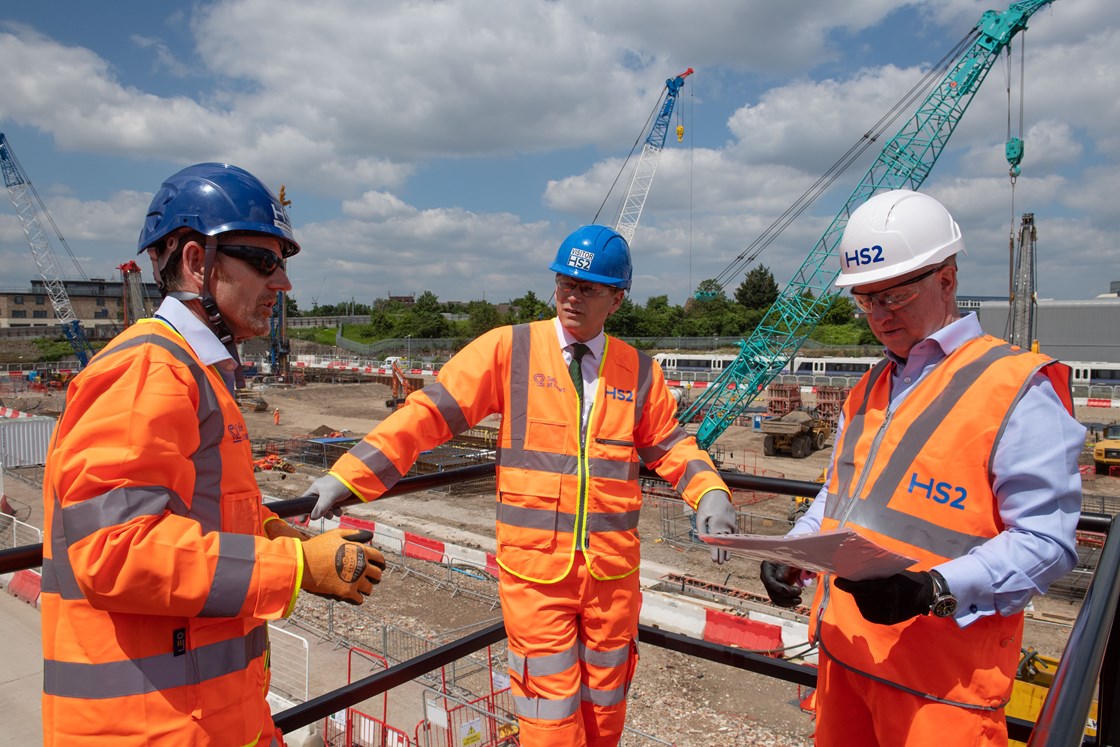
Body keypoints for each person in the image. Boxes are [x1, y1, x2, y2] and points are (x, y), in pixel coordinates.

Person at [304, 224, 738, 747]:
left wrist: (709, 491)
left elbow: (669, 445)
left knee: (606, 711)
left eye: (589, 287)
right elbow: (426, 415)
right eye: (564, 283)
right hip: (536, 575)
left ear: (617, 299)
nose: (573, 296)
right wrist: (348, 473)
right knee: (549, 722)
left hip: (612, 576)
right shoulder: (508, 350)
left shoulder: (639, 371)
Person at [40, 163, 386, 746]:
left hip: (207, 716)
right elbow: (113, 552)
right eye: (265, 262)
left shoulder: (195, 373)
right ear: (198, 263)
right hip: (146, 727)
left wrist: (278, 536)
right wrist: (295, 569)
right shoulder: (145, 371)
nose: (283, 285)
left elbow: (191, 515)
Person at [759, 189, 1084, 746]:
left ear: (947, 280)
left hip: (941, 687)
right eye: (865, 300)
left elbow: (1046, 542)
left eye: (895, 297)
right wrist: (796, 549)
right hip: (847, 657)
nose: (879, 316)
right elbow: (840, 497)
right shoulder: (870, 387)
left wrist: (933, 588)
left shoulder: (1015, 390)